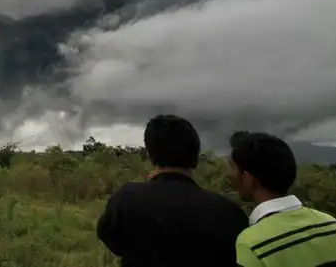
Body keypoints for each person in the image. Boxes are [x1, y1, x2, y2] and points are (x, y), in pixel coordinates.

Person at [97, 114, 249, 266]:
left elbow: (111, 238)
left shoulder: (127, 199)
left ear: (150, 157)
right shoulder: (230, 213)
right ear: (196, 159)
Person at [228, 131, 336, 267]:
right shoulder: (333, 226)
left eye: (233, 168)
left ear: (247, 178)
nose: (230, 174)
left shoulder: (252, 244)